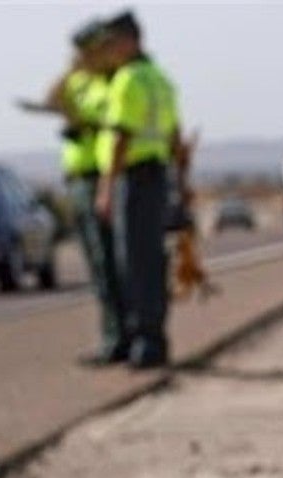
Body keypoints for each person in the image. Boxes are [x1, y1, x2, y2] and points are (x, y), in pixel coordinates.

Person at [30, 19, 131, 366]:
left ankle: (120, 337)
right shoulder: (79, 81)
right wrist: (70, 71)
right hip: (77, 179)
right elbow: (51, 100)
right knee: (99, 263)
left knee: (111, 262)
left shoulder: (112, 82)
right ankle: (114, 335)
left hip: (99, 177)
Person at [94, 11, 187, 369]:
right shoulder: (160, 80)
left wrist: (106, 188)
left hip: (133, 178)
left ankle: (145, 341)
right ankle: (154, 337)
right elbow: (176, 136)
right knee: (151, 260)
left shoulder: (128, 80)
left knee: (132, 262)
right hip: (157, 176)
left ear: (130, 41)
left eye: (113, 44)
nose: (109, 52)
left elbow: (120, 137)